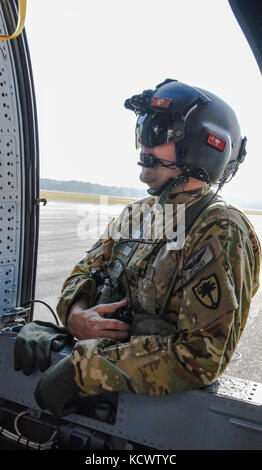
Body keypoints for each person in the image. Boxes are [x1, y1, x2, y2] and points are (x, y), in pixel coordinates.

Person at [18, 79, 261, 416]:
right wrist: (76, 317)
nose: (142, 146)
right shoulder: (136, 214)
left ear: (202, 146)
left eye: (155, 132)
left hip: (148, 420)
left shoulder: (219, 227)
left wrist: (86, 370)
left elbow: (200, 357)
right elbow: (83, 272)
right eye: (141, 132)